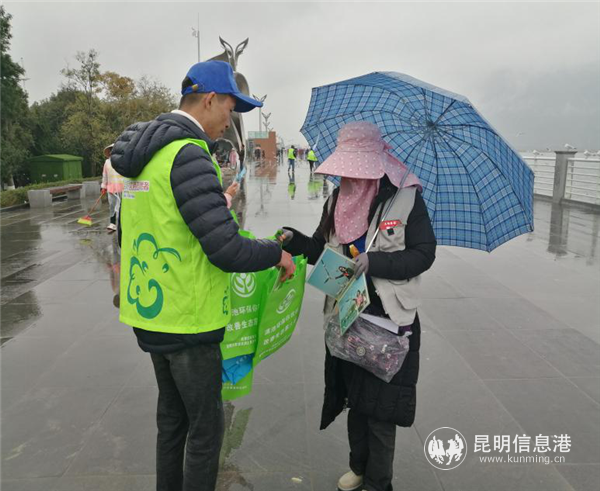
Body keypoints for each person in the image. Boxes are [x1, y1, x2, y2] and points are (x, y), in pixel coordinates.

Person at [111, 60, 295, 491]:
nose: (228, 123)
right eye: (229, 110)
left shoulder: (145, 154)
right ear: (210, 99)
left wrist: (216, 208)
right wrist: (277, 254)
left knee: (171, 423)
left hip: (151, 312)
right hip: (189, 319)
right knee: (205, 431)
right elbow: (227, 250)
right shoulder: (189, 154)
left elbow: (146, 225)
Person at [277, 121, 436, 491]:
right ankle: (358, 467)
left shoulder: (406, 197)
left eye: (359, 168)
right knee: (354, 400)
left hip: (389, 321)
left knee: (381, 411)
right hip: (347, 316)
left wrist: (375, 262)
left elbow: (423, 254)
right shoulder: (336, 200)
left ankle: (379, 483)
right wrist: (297, 242)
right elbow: (321, 248)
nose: (351, 177)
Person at [100, 143, 124, 232]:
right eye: (111, 151)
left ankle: (122, 223)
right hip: (111, 188)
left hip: (123, 188)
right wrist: (103, 186)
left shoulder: (123, 161)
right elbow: (104, 175)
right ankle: (112, 223)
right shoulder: (107, 162)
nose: (112, 152)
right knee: (112, 206)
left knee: (121, 207)